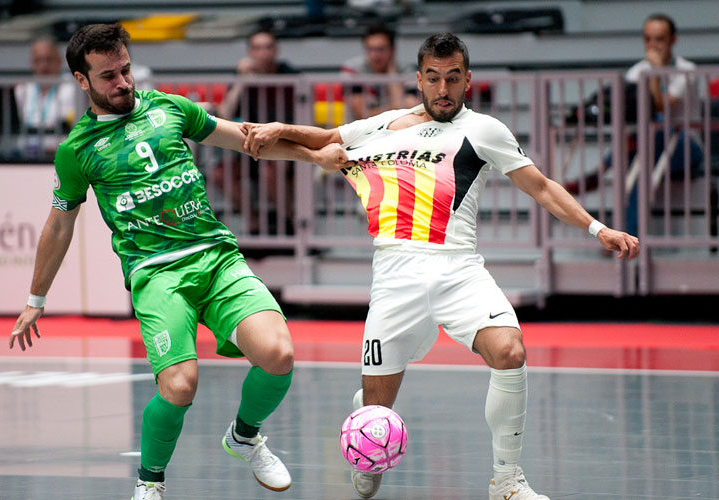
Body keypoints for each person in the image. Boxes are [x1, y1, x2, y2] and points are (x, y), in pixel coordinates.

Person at [243, 33, 640, 500]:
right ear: (419, 80)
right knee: (375, 408)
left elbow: (543, 187)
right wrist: (276, 127)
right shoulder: (387, 123)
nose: (443, 89)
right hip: (395, 274)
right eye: (433, 78)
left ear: (467, 80)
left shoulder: (485, 130)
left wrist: (598, 229)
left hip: (459, 269)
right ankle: (370, 441)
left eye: (453, 78)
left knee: (510, 352)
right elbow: (329, 139)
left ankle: (507, 481)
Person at [7, 23, 345, 500]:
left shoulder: (168, 107)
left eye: (125, 69)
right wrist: (35, 298)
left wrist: (316, 157)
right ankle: (150, 484)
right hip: (156, 273)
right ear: (82, 82)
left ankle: (244, 436)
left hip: (215, 257)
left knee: (279, 356)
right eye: (108, 76)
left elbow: (246, 139)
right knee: (180, 385)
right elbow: (59, 224)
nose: (123, 82)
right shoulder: (76, 150)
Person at [623, 12, 703, 236]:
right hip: (652, 150)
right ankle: (629, 238)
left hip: (686, 147)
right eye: (648, 39)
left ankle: (599, 172)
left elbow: (660, 108)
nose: (653, 45)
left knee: (657, 131)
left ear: (673, 40)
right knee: (638, 170)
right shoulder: (635, 72)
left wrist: (655, 75)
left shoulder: (687, 70)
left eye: (659, 39)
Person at [217, 28, 300, 235]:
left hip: (284, 146)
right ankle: (254, 224)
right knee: (220, 173)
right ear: (250, 53)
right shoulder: (243, 78)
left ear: (276, 50)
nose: (262, 53)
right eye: (257, 48)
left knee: (269, 171)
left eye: (267, 47)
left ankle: (291, 224)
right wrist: (241, 81)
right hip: (249, 147)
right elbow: (225, 113)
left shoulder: (291, 76)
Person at [14, 36, 77, 157]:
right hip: (26, 152)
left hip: (60, 152)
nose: (44, 65)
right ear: (31, 63)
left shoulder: (72, 87)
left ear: (59, 61)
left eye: (48, 59)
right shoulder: (23, 89)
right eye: (38, 60)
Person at [341, 23, 418, 120]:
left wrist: (392, 73)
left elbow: (411, 108)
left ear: (393, 50)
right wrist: (396, 109)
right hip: (363, 131)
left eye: (381, 49)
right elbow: (362, 114)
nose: (375, 55)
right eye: (370, 49)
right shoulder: (352, 69)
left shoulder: (409, 70)